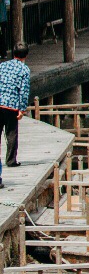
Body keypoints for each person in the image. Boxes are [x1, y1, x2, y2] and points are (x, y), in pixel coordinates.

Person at [0, 44, 30, 178]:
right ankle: (11, 160)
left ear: (13, 53)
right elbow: (24, 92)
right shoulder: (24, 70)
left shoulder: (2, 66)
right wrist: (22, 110)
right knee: (11, 133)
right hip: (11, 105)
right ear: (26, 56)